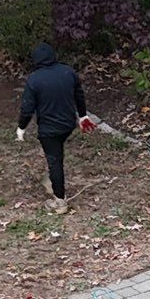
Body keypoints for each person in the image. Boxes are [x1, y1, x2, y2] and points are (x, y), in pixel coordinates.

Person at [16, 42, 88, 212]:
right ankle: (53, 181)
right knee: (57, 154)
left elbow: (27, 108)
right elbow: (79, 95)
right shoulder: (68, 72)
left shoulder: (34, 79)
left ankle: (60, 201)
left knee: (54, 161)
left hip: (49, 130)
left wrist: (21, 128)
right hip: (68, 125)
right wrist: (83, 116)